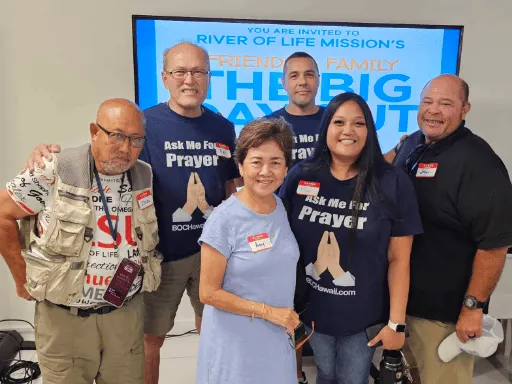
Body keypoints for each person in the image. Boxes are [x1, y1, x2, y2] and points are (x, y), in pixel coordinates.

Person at [22, 42, 241, 384]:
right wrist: (46, 152)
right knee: (150, 340)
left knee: (214, 332)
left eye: (198, 71)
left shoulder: (223, 128)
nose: (189, 79)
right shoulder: (146, 123)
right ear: (165, 77)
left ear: (209, 78)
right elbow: (105, 152)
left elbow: (230, 187)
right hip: (162, 254)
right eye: (180, 71)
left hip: (212, 251)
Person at [0, 99, 162, 384]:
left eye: (136, 140)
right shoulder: (53, 169)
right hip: (65, 318)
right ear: (94, 131)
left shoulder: (144, 174)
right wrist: (20, 277)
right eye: (117, 135)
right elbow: (2, 214)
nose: (126, 148)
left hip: (125, 313)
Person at [279, 92, 423, 384]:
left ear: (369, 130)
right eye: (339, 122)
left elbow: (399, 260)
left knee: (351, 378)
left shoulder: (392, 182)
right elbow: (281, 240)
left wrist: (396, 323)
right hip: (312, 310)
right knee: (326, 372)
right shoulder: (301, 175)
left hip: (362, 317)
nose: (348, 130)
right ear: (326, 129)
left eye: (358, 123)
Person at [393, 74, 512, 384]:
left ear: (464, 109)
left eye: (445, 104)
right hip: (403, 302)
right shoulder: (413, 145)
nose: (433, 110)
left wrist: (472, 307)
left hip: (444, 315)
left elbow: (494, 245)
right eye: (427, 102)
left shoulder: (479, 162)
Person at [197, 117, 300, 384]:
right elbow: (208, 292)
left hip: (275, 340)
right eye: (256, 162)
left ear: (286, 168)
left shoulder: (279, 206)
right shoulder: (224, 219)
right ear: (241, 166)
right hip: (235, 346)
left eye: (275, 162)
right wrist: (268, 312)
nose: (266, 171)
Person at [265, 51, 324, 384]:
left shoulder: (335, 119)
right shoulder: (271, 125)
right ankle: (295, 374)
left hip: (332, 229)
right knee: (291, 306)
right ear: (283, 82)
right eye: (295, 75)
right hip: (285, 234)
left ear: (318, 79)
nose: (302, 81)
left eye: (309, 74)